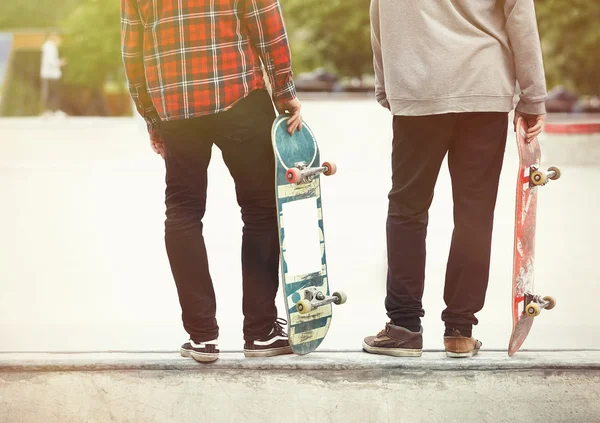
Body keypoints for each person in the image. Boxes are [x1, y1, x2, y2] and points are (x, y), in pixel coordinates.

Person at [363, 0, 548, 358]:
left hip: (418, 88)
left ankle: (403, 326)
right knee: (474, 213)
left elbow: (378, 12)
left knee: (407, 208)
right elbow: (520, 14)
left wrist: (386, 83)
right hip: (484, 86)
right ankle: (460, 330)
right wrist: (533, 95)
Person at [120, 0, 302, 363]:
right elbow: (268, 25)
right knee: (261, 209)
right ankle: (262, 331)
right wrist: (285, 94)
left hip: (176, 108)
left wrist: (152, 116)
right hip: (240, 100)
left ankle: (201, 336)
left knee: (183, 212)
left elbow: (132, 53)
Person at [40, 32, 65, 115]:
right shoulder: (50, 47)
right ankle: (51, 111)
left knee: (51, 93)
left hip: (50, 74)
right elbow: (51, 61)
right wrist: (60, 63)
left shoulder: (49, 47)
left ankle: (50, 111)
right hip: (50, 75)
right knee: (52, 94)